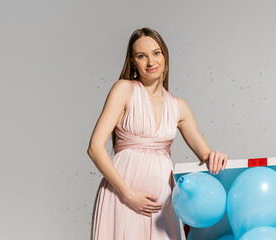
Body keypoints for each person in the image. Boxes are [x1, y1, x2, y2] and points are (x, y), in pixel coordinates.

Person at [87, 27, 228, 240]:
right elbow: (95, 148)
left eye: (156, 53)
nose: (151, 62)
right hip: (122, 197)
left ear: (165, 56)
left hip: (162, 205)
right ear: (133, 62)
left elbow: (206, 156)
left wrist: (215, 157)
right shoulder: (124, 90)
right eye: (141, 56)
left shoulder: (179, 107)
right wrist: (128, 195)